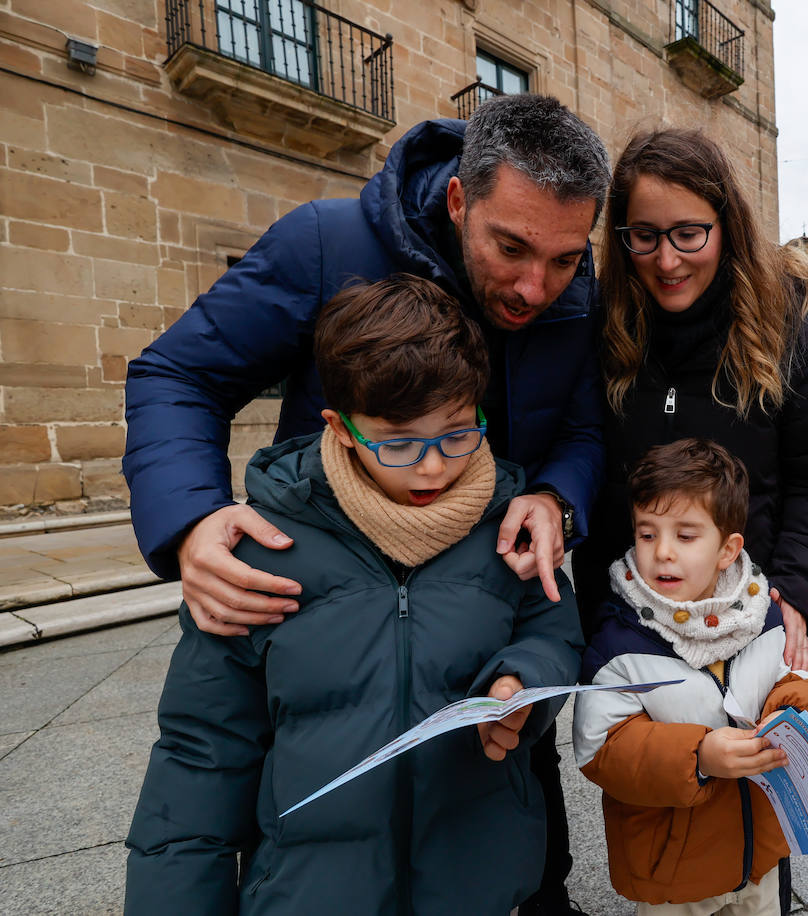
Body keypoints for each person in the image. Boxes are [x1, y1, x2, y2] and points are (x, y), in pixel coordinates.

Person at [122, 94, 608, 915]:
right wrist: (192, 518)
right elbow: (177, 373)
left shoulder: (576, 289)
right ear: (459, 199)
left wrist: (558, 499)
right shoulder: (325, 243)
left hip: (492, 596)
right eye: (511, 247)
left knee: (509, 775)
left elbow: (586, 426)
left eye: (564, 258)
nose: (536, 286)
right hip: (332, 592)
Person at [573, 127, 808, 669]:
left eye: (688, 233)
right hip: (623, 629)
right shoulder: (598, 328)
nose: (666, 261)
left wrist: (797, 594)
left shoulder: (787, 334)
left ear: (727, 227)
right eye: (644, 235)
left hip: (747, 625)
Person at [572, 439, 808, 915]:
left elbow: (796, 676)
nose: (662, 553)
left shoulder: (762, 615)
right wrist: (698, 756)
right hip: (675, 869)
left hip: (760, 854)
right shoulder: (620, 640)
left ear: (728, 549)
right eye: (647, 534)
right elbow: (601, 747)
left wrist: (796, 714)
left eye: (685, 536)